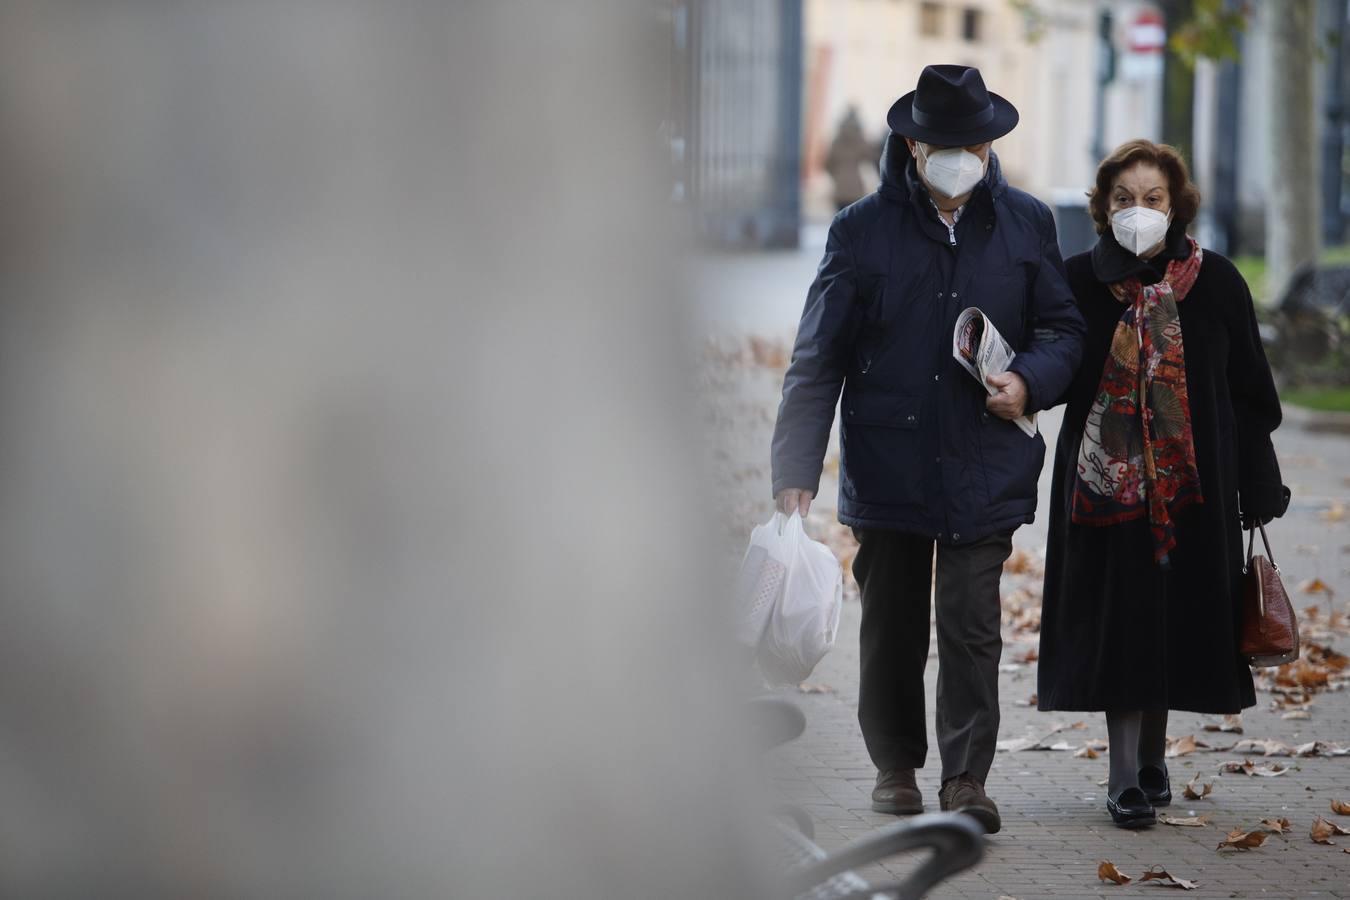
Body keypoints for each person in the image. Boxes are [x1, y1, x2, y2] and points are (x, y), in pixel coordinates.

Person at [770, 64, 1085, 834]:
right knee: (894, 625)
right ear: (911, 143)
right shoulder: (860, 231)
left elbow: (1064, 331)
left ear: (988, 143)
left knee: (972, 625)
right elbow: (819, 358)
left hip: (985, 457)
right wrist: (795, 474)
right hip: (891, 463)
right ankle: (895, 768)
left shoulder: (1026, 223)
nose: (960, 154)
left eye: (973, 141)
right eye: (944, 141)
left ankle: (967, 779)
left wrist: (1030, 383)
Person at [1036, 140, 1290, 829]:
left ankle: (1154, 758)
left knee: (1172, 621)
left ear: (1177, 206)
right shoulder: (1076, 282)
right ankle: (1124, 776)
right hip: (1103, 491)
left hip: (1192, 491)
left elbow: (1250, 398)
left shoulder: (1219, 284)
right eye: (1124, 199)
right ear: (1102, 208)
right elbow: (1048, 370)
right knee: (1121, 621)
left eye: (1153, 199)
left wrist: (1259, 490)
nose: (1138, 212)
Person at [823, 106, 879, 212]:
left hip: (840, 188)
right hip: (856, 188)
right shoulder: (859, 139)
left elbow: (828, 164)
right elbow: (872, 156)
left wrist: (836, 175)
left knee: (839, 221)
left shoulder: (837, 141)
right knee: (853, 221)